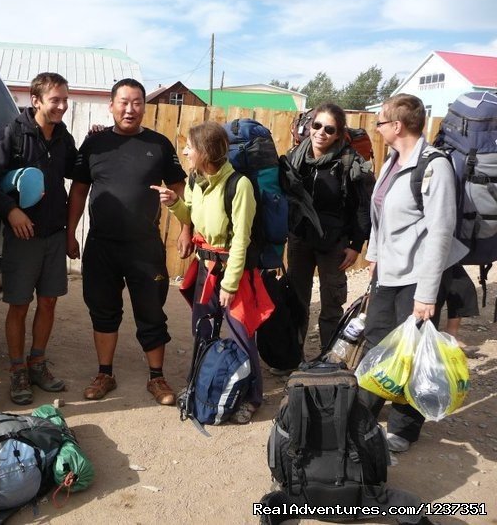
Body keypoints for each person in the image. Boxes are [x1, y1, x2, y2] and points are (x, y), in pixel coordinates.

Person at [66, 78, 187, 406]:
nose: (130, 109)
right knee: (102, 310)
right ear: (112, 105)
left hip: (144, 246)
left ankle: (156, 377)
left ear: (144, 106)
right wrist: (70, 232)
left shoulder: (159, 145)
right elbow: (78, 190)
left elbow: (179, 188)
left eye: (136, 102)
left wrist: (186, 228)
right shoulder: (95, 145)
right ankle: (105, 372)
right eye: (123, 102)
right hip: (101, 245)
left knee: (151, 311)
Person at [360, 93, 469, 453]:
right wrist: (374, 256)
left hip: (417, 279)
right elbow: (380, 215)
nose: (376, 127)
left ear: (398, 125)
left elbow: (441, 230)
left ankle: (404, 430)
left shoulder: (433, 166)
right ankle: (366, 413)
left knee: (414, 352)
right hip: (387, 274)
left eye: (380, 121)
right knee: (378, 343)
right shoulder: (392, 162)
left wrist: (427, 293)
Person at [153, 121, 274, 423]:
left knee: (240, 335)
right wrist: (174, 204)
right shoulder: (196, 180)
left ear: (205, 152)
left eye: (189, 148)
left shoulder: (239, 185)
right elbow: (190, 217)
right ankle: (201, 385)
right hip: (205, 269)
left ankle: (252, 397)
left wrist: (230, 284)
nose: (185, 152)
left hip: (233, 273)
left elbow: (241, 240)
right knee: (203, 331)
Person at [0, 73, 77, 405]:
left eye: (65, 99)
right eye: (56, 100)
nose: (62, 106)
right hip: (23, 236)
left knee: (49, 301)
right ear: (36, 100)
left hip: (54, 233)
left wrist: (97, 139)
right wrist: (11, 211)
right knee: (19, 305)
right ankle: (18, 369)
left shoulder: (64, 137)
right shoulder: (14, 133)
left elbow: (78, 170)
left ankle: (38, 362)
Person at [284, 103, 372, 368]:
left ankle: (328, 360)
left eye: (329, 129)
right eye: (317, 125)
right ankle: (292, 356)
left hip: (334, 243)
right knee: (297, 300)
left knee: (331, 303)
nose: (321, 132)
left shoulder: (349, 163)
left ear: (338, 134)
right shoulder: (295, 158)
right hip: (299, 238)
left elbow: (362, 208)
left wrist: (356, 245)